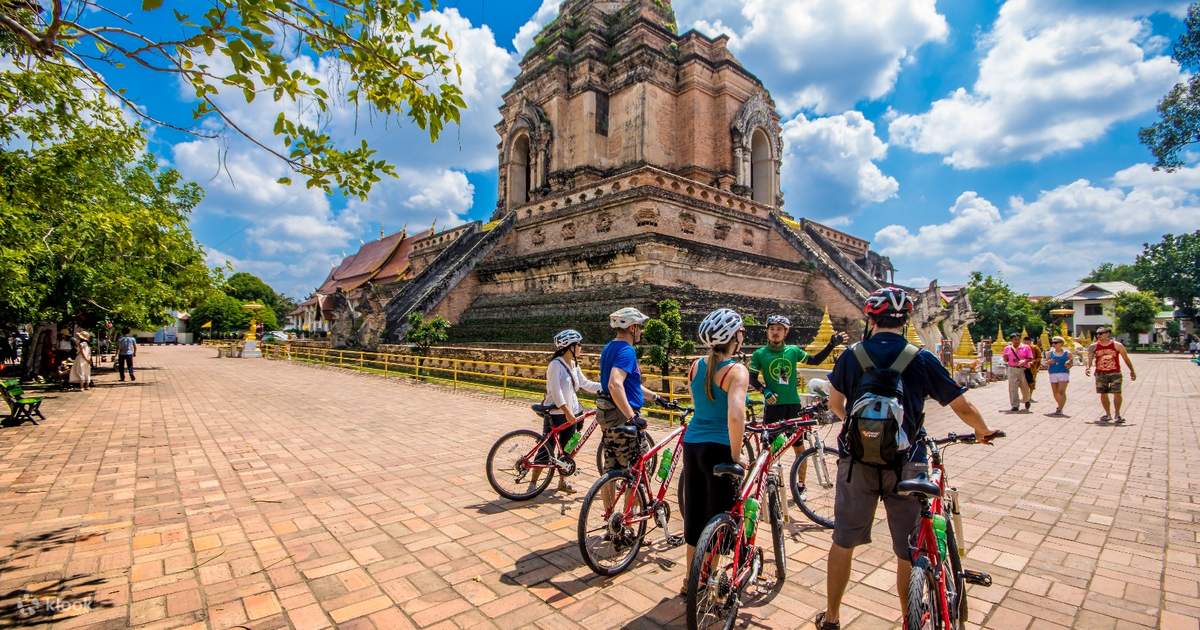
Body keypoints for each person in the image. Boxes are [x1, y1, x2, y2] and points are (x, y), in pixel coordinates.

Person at [815, 287, 997, 630]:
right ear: (906, 320)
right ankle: (908, 617)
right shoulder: (921, 357)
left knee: (843, 542)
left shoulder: (852, 355)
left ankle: (832, 617)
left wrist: (856, 429)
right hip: (908, 462)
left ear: (870, 319)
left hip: (857, 463)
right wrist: (983, 431)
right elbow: (961, 406)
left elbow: (835, 403)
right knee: (909, 550)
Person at [682, 308, 749, 595]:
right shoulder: (736, 371)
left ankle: (690, 579)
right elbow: (736, 416)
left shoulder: (696, 366)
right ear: (735, 337)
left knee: (695, 514)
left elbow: (696, 398)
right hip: (719, 448)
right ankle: (709, 579)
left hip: (693, 444)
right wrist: (736, 455)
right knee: (721, 515)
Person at [749, 314, 846, 502]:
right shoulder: (759, 354)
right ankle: (767, 484)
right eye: (772, 329)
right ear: (767, 332)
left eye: (779, 329)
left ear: (786, 332)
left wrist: (831, 345)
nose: (775, 332)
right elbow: (752, 377)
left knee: (799, 449)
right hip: (773, 408)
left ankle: (801, 485)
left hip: (793, 406)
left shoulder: (793, 351)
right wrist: (764, 390)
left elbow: (815, 360)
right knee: (769, 451)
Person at [531, 329, 601, 494]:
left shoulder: (574, 364)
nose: (581, 347)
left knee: (567, 449)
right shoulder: (556, 365)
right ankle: (533, 484)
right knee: (546, 448)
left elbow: (585, 383)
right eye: (578, 344)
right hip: (557, 414)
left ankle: (562, 482)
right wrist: (566, 410)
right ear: (569, 347)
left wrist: (606, 387)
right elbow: (556, 392)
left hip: (573, 413)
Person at [596, 307, 663, 472]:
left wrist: (656, 397)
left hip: (609, 415)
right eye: (640, 327)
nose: (641, 331)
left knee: (610, 470)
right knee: (637, 474)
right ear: (632, 328)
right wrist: (632, 417)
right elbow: (615, 384)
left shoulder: (609, 348)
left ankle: (608, 499)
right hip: (623, 418)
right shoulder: (627, 351)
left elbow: (630, 385)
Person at [1085, 327, 1136, 423]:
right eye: (1097, 334)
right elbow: (1090, 359)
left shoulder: (1117, 345)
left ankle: (1117, 414)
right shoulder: (1093, 346)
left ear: (1107, 333)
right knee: (1103, 393)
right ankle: (1108, 414)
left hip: (1115, 372)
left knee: (1117, 393)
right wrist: (1088, 367)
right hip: (1100, 373)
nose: (1098, 335)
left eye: (1100, 333)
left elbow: (1126, 358)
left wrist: (1132, 370)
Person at [1002, 333, 1033, 412]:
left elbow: (1030, 358)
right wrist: (1005, 358)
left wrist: (1024, 361)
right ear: (1011, 340)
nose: (1017, 341)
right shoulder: (1007, 348)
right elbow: (1005, 359)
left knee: (1025, 387)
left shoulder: (1026, 347)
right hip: (1012, 369)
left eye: (1018, 339)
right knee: (1013, 388)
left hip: (1023, 369)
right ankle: (1015, 405)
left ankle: (1026, 400)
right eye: (1015, 339)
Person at [1046, 336, 1072, 416]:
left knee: (1061, 391)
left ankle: (1060, 409)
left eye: (1056, 343)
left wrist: (1068, 363)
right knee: (1055, 392)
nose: (1054, 344)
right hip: (1053, 373)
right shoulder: (1049, 353)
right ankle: (1060, 405)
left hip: (1063, 373)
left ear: (1061, 343)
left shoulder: (1067, 353)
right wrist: (1049, 362)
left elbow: (1071, 363)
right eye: (1053, 343)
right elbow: (1046, 362)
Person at [1024, 335, 1042, 399]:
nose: (1026, 343)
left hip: (1032, 368)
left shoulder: (1035, 348)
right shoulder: (1021, 348)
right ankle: (1025, 395)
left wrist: (1033, 361)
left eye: (1028, 341)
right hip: (1023, 367)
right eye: (1025, 341)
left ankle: (1030, 396)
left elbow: (1039, 357)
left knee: (1031, 381)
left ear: (1030, 341)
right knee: (1024, 382)